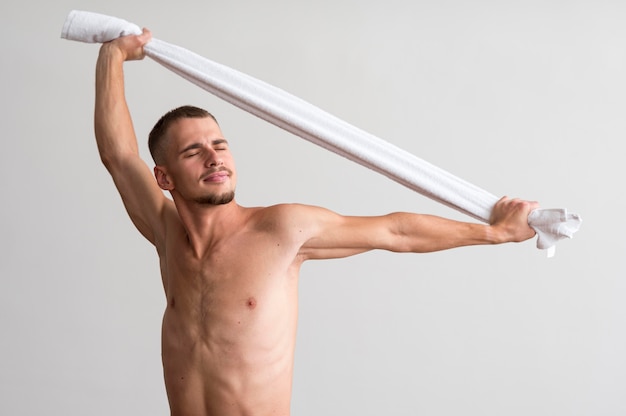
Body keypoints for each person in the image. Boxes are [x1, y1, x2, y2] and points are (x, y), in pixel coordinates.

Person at [94, 28, 538, 416]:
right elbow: (118, 155)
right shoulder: (166, 232)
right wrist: (112, 56)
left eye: (220, 144)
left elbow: (394, 231)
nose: (215, 158)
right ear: (164, 177)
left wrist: (495, 233)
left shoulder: (280, 230)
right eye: (194, 152)